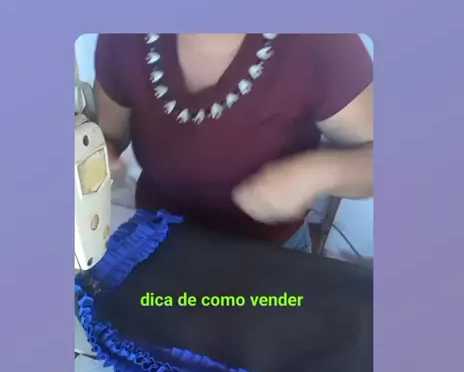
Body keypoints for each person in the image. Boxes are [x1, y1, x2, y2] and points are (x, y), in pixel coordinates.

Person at [94, 33, 373, 248]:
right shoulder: (124, 35)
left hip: (270, 257)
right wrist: (96, 156)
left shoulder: (322, 39)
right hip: (154, 244)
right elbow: (108, 136)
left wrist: (315, 174)